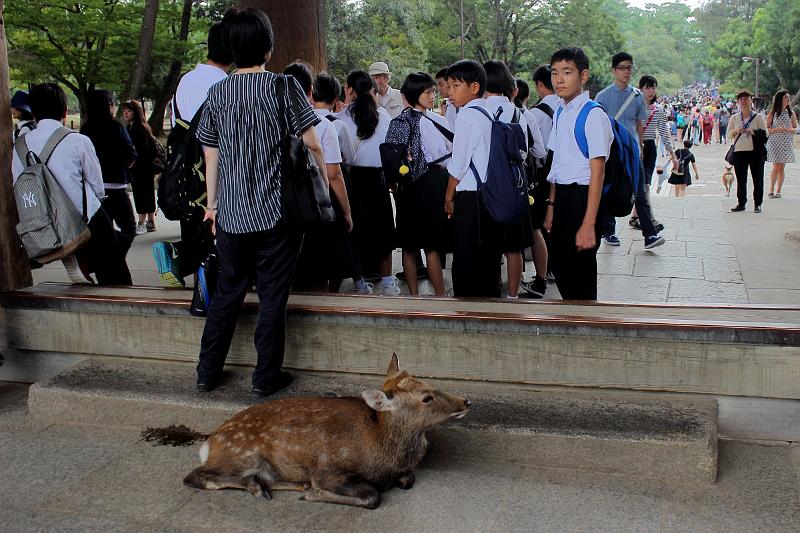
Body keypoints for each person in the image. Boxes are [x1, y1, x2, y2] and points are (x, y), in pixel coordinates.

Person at [194, 8, 326, 396]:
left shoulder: (217, 92)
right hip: (276, 216)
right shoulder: (284, 87)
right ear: (268, 47)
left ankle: (206, 372)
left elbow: (210, 155)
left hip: (232, 217)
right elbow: (313, 142)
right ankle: (265, 378)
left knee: (227, 294)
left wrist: (214, 206)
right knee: (272, 298)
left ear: (231, 48)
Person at [11, 83, 132, 285]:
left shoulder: (20, 146)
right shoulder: (77, 140)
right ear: (65, 111)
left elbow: (18, 184)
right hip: (83, 217)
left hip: (45, 223)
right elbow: (97, 185)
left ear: (33, 112)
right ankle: (87, 261)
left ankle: (78, 257)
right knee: (115, 271)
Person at [152, 20, 233, 287]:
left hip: (186, 172)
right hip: (214, 170)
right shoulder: (226, 84)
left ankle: (178, 255)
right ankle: (203, 287)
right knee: (218, 237)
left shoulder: (185, 80)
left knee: (194, 230)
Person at [543, 47, 613, 300]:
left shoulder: (593, 115)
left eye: (567, 72)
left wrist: (588, 223)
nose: (559, 79)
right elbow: (557, 163)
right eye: (554, 73)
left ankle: (587, 328)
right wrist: (551, 205)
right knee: (561, 268)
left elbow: (598, 173)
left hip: (584, 199)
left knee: (580, 275)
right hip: (562, 197)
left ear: (583, 77)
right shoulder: (561, 111)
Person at [283, 61, 357, 294]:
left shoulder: (269, 121)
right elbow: (334, 175)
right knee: (319, 270)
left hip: (277, 205)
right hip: (312, 205)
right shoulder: (323, 125)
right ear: (309, 92)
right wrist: (345, 212)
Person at [387, 72, 452, 297]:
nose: (432, 95)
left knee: (409, 245)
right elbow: (442, 157)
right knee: (432, 245)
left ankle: (414, 295)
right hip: (431, 185)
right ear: (415, 94)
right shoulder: (435, 121)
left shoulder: (398, 122)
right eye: (428, 92)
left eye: (433, 91)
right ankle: (440, 295)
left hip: (405, 188)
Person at [444, 59, 504, 297]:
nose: (450, 93)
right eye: (449, 86)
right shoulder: (489, 112)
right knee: (488, 262)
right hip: (491, 197)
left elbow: (457, 165)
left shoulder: (467, 115)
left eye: (456, 86)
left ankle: (468, 316)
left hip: (471, 200)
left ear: (474, 87)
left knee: (467, 263)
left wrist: (448, 197)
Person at [310, 71, 373, 294]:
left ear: (310, 94)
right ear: (337, 98)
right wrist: (347, 212)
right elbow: (343, 162)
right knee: (339, 240)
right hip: (329, 191)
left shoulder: (297, 120)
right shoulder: (334, 125)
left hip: (302, 193)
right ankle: (340, 286)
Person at [336, 70, 398, 295]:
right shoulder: (383, 115)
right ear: (372, 90)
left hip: (354, 179)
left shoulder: (341, 118)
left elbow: (342, 154)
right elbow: (390, 146)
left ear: (350, 90)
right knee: (383, 228)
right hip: (379, 178)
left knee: (357, 229)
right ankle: (388, 281)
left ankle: (359, 281)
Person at [595, 52, 664, 250]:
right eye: (622, 68)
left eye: (629, 68)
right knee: (608, 189)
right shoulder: (602, 96)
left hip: (632, 150)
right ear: (614, 71)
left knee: (640, 190)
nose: (626, 71)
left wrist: (640, 145)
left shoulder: (637, 96)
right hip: (612, 150)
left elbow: (639, 124)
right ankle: (609, 231)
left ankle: (649, 234)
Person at [80, 89, 138, 256]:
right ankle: (116, 255)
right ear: (109, 106)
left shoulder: (85, 129)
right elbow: (130, 155)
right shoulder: (116, 127)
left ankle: (106, 259)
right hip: (116, 186)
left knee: (101, 230)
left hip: (93, 190)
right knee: (129, 227)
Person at [633, 75, 677, 229]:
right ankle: (636, 217)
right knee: (637, 186)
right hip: (634, 148)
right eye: (647, 87)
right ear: (641, 89)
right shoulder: (633, 107)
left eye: (653, 87)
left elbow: (664, 133)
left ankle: (648, 219)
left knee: (645, 185)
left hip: (650, 148)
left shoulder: (658, 110)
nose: (651, 91)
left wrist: (673, 155)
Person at [121, 100, 158, 235]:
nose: (125, 113)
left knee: (141, 194)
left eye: (129, 111)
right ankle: (150, 221)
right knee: (146, 194)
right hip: (144, 167)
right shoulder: (139, 126)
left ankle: (142, 223)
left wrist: (131, 161)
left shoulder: (137, 128)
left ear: (135, 113)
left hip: (140, 167)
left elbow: (141, 150)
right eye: (124, 110)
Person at [729, 89, 769, 213]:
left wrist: (753, 132)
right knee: (741, 180)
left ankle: (758, 204)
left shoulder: (758, 117)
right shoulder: (735, 117)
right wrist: (737, 131)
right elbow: (729, 135)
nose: (743, 101)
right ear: (738, 102)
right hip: (739, 151)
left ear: (751, 100)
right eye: (741, 99)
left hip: (755, 152)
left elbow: (765, 134)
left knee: (758, 179)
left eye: (746, 98)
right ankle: (741, 203)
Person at [766, 89, 797, 199]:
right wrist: (777, 129)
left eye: (788, 97)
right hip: (775, 141)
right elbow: (767, 128)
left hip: (786, 141)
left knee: (782, 167)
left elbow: (796, 128)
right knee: (776, 166)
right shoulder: (773, 113)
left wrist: (790, 130)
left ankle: (779, 190)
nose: (788, 99)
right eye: (785, 97)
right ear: (780, 99)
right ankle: (771, 189)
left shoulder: (791, 113)